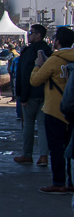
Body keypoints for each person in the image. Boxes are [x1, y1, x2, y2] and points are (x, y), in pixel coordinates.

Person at [29, 25, 74, 194]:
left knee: (56, 148)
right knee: (71, 148)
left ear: (58, 42)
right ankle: (71, 180)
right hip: (73, 111)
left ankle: (58, 181)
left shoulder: (55, 60)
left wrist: (38, 65)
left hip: (55, 110)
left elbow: (35, 81)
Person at [15, 24, 52, 166]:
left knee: (28, 124)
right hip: (46, 94)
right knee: (43, 125)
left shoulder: (29, 52)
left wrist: (22, 96)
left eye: (31, 32)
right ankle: (44, 156)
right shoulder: (49, 51)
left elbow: (24, 75)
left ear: (38, 35)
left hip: (30, 94)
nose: (28, 35)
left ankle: (27, 154)